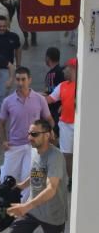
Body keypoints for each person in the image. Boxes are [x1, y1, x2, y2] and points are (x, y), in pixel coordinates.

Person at [6, 119, 68, 233]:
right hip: (34, 208)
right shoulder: (35, 150)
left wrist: (25, 206)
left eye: (34, 134)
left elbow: (52, 188)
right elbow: (35, 173)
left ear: (47, 135)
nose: (29, 137)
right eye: (29, 133)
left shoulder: (55, 156)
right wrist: (20, 186)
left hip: (54, 213)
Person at [0, 67, 53, 201]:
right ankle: (6, 205)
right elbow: (1, 123)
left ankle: (20, 210)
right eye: (18, 79)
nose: (20, 82)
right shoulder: (8, 101)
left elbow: (49, 120)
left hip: (33, 147)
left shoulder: (40, 99)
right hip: (14, 146)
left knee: (28, 179)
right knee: (6, 178)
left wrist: (48, 136)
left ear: (29, 80)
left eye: (23, 79)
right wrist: (4, 141)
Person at [47, 57, 77, 190]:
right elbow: (50, 99)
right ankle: (71, 179)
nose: (65, 71)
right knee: (67, 154)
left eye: (68, 68)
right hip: (65, 124)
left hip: (80, 125)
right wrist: (33, 97)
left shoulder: (84, 86)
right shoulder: (63, 85)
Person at [0, 15, 22, 136]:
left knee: (1, 98)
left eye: (4, 26)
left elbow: (18, 49)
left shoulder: (13, 37)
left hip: (6, 71)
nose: (2, 28)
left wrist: (18, 65)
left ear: (7, 25)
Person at [43, 46, 64, 137]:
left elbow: (48, 93)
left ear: (47, 58)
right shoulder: (63, 72)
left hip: (52, 111)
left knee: (53, 136)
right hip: (63, 108)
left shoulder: (50, 74)